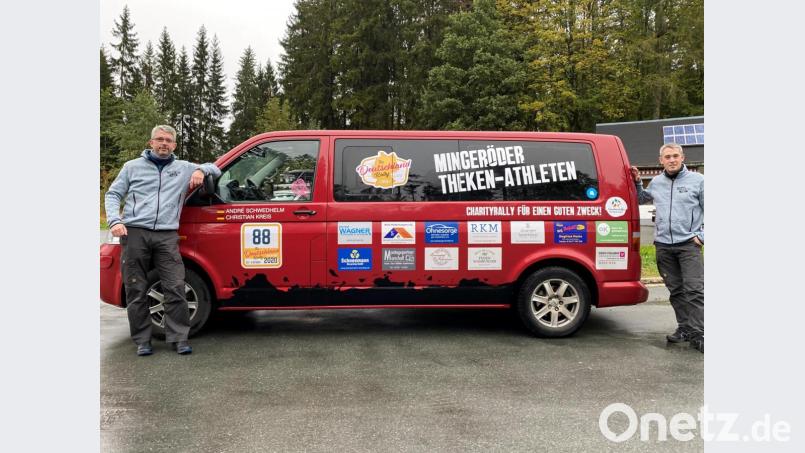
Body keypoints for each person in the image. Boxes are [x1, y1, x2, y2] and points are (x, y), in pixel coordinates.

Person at [105, 125, 221, 356]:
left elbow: (216, 168)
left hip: (167, 234)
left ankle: (179, 338)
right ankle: (142, 341)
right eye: (159, 139)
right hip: (135, 232)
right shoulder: (131, 167)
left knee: (175, 286)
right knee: (136, 289)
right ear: (151, 143)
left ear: (174, 145)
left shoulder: (183, 168)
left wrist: (201, 170)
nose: (164, 144)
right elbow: (113, 194)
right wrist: (115, 221)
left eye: (168, 140)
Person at [631, 143, 704, 353]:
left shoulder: (698, 181)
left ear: (682, 158)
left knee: (694, 291)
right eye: (667, 157)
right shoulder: (656, 181)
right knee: (677, 291)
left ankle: (699, 333)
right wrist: (637, 183)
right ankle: (684, 328)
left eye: (675, 156)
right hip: (663, 245)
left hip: (689, 245)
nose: (671, 160)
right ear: (661, 160)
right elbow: (640, 199)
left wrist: (702, 237)